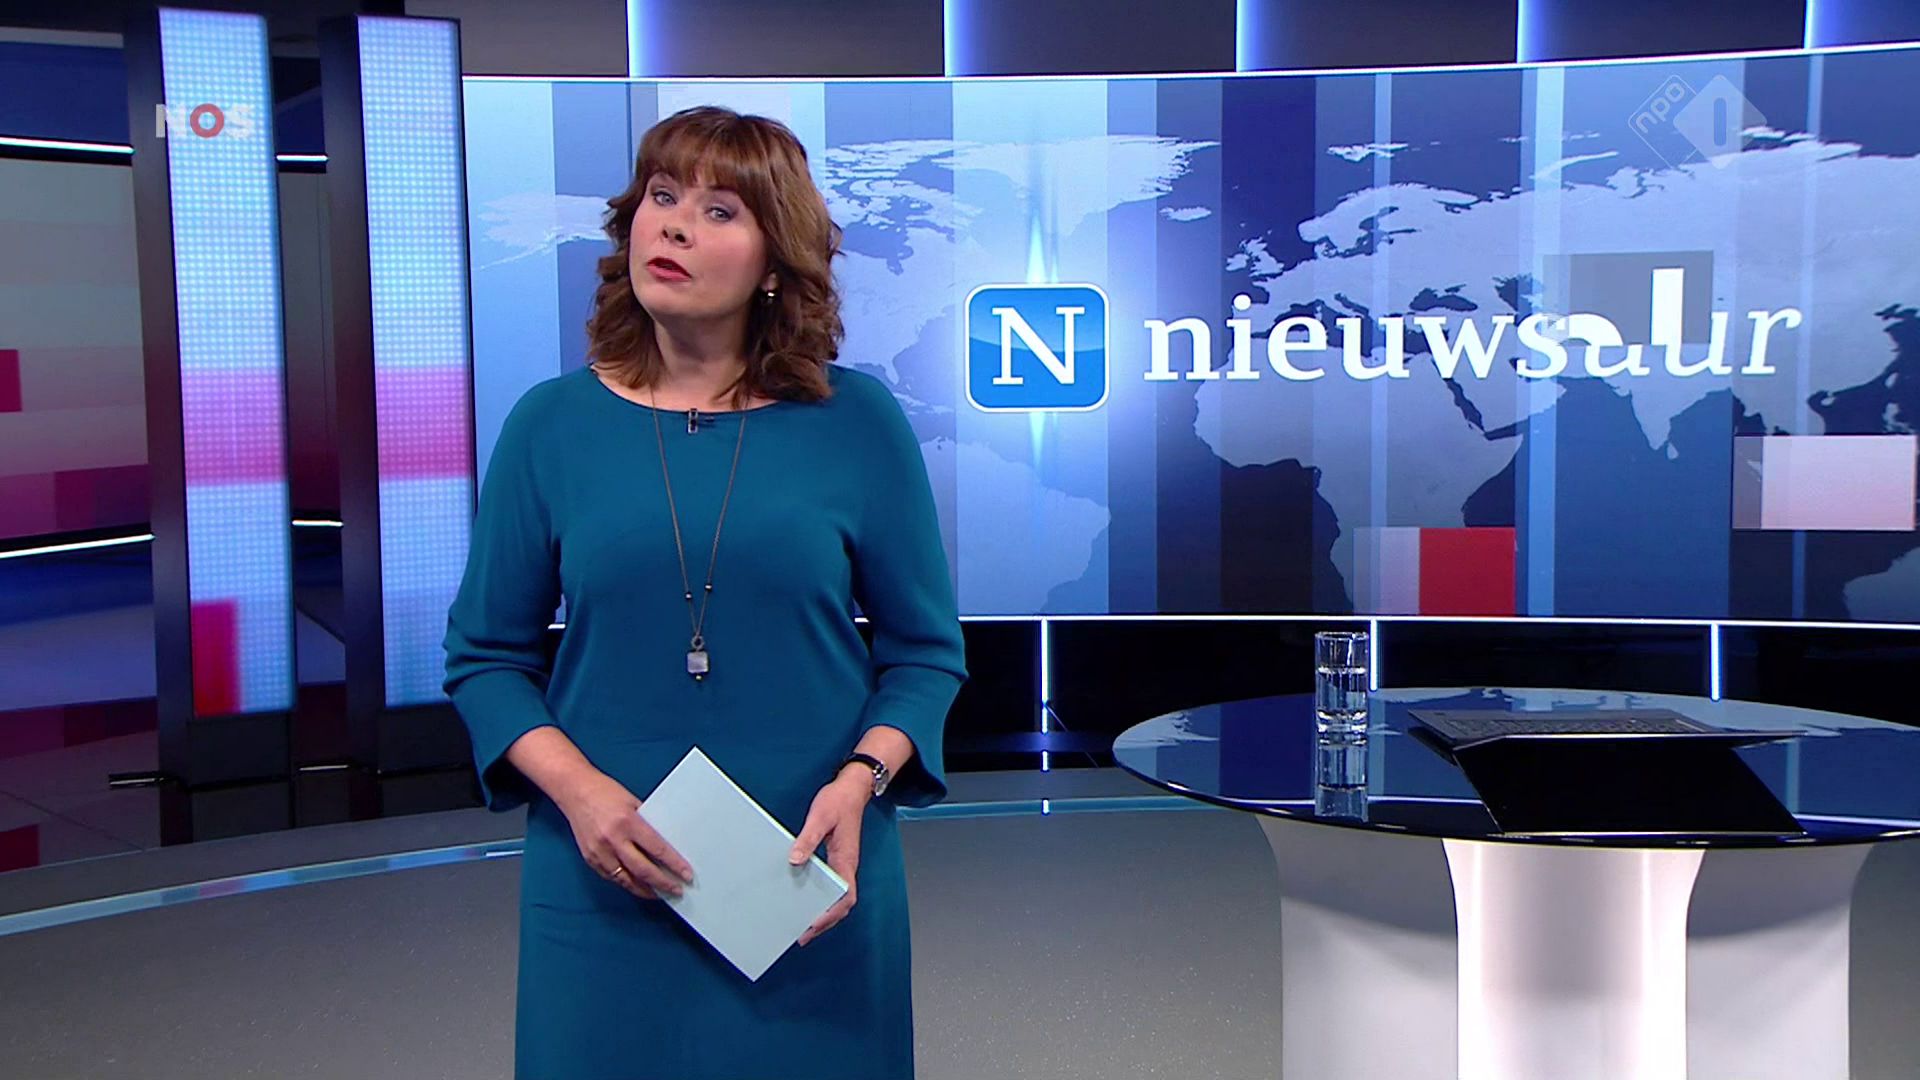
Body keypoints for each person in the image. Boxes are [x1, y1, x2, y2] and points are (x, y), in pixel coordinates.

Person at [443, 105, 967, 1079]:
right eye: (662, 197)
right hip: (606, 876)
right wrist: (583, 797)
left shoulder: (856, 422)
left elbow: (925, 654)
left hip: (807, 871)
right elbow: (485, 659)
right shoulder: (549, 426)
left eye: (719, 210)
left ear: (774, 263)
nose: (675, 226)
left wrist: (863, 778)